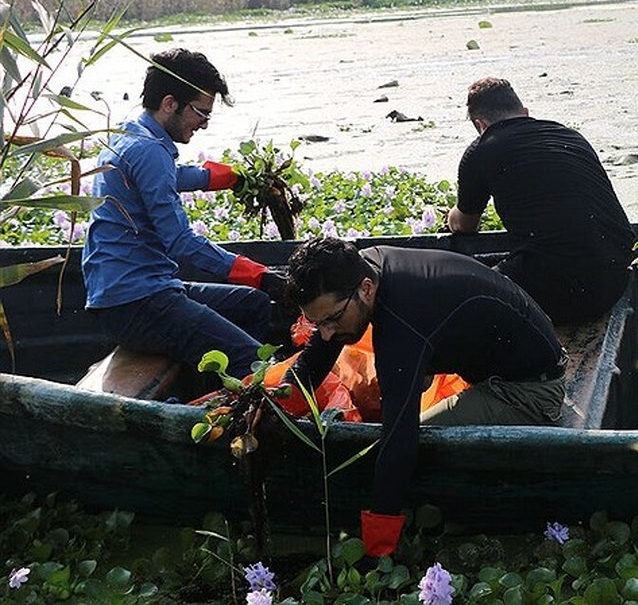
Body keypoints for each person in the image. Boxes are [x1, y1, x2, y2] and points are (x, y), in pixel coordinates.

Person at [284, 237, 567, 557]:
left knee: (420, 448)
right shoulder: (359, 269)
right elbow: (318, 355)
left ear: (365, 289)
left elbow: (399, 441)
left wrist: (378, 545)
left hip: (527, 389)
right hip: (494, 351)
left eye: (333, 319)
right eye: (317, 323)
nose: (326, 333)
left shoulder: (401, 322)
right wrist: (275, 407)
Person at [82, 48, 286, 378]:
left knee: (254, 305)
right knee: (253, 359)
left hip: (132, 292)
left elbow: (164, 178)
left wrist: (220, 177)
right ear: (170, 103)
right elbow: (180, 243)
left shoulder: (130, 133)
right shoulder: (149, 151)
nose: (204, 124)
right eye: (201, 113)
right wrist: (255, 273)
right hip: (139, 303)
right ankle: (233, 409)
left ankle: (211, 391)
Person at [447, 77, 633, 324]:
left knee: (456, 294)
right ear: (524, 112)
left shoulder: (482, 149)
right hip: (616, 278)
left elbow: (465, 224)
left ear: (480, 125)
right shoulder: (570, 136)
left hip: (558, 288)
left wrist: (451, 216)